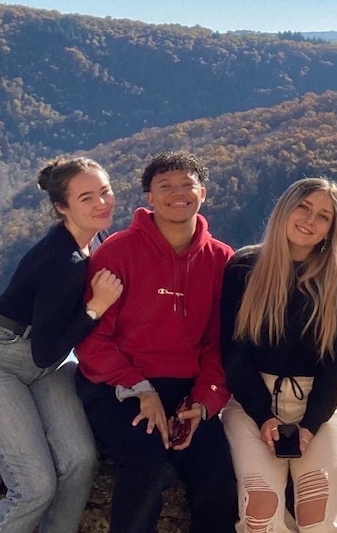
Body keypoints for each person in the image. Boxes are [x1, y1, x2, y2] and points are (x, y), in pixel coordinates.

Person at [0, 157, 123, 532]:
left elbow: (49, 351)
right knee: (34, 487)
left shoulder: (98, 238)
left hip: (48, 356)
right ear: (61, 207)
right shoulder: (60, 261)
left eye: (105, 191)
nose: (102, 203)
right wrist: (95, 308)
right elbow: (44, 353)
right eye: (87, 198)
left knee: (79, 461)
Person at [74, 150, 238, 533]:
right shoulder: (117, 252)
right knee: (147, 469)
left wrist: (204, 401)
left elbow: (221, 342)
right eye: (165, 186)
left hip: (187, 389)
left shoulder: (221, 260)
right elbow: (92, 338)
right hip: (118, 384)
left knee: (219, 479)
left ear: (204, 193)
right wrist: (139, 389)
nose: (177, 193)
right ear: (149, 196)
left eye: (187, 185)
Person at [220, 177, 337, 532]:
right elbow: (233, 351)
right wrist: (263, 416)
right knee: (260, 513)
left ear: (332, 228)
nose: (310, 220)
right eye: (304, 207)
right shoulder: (245, 267)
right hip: (252, 401)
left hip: (323, 404)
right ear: (285, 208)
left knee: (322, 515)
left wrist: (311, 424)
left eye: (323, 216)